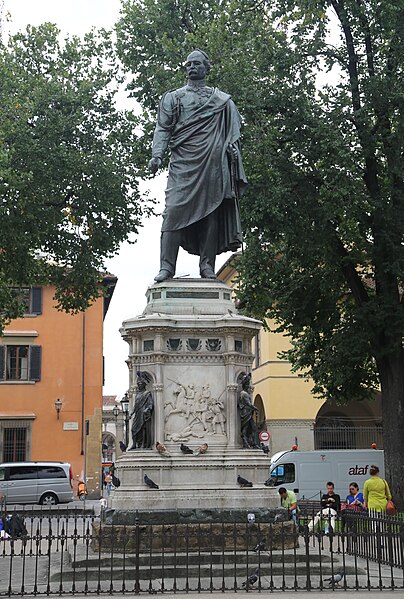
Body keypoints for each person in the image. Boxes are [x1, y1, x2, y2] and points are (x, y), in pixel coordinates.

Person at [149, 49, 247, 282]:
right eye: (188, 64)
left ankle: (207, 267)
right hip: (183, 163)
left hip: (213, 164)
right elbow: (163, 128)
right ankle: (167, 267)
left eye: (197, 64)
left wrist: (233, 150)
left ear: (206, 68)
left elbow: (233, 133)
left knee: (210, 214)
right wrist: (157, 155)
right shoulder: (173, 98)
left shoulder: (222, 100)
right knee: (172, 212)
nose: (192, 67)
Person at [130, 372, 154, 449]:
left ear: (144, 385)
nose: (139, 386)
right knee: (133, 429)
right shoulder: (137, 394)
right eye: (138, 384)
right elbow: (136, 405)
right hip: (137, 413)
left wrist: (147, 409)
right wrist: (132, 412)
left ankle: (144, 444)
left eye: (140, 384)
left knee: (143, 429)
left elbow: (150, 404)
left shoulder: (147, 393)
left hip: (143, 414)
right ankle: (134, 444)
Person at [237, 373, 259, 448]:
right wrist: (255, 408)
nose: (249, 386)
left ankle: (251, 442)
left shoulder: (245, 393)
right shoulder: (244, 394)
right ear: (245, 385)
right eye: (248, 384)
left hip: (248, 412)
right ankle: (246, 442)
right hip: (245, 413)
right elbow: (248, 404)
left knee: (253, 427)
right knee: (247, 427)